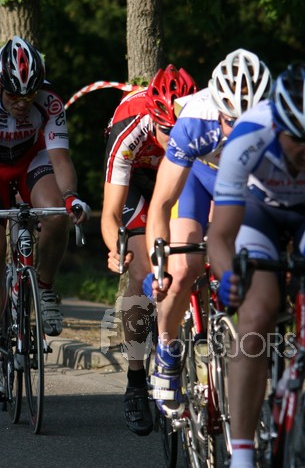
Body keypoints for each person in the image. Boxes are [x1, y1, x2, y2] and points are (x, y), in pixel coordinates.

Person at [206, 63, 305, 468]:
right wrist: (228, 276)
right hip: (259, 211)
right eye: (300, 140)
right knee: (257, 313)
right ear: (278, 127)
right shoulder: (248, 136)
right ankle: (242, 454)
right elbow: (220, 237)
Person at [0, 36, 90, 400]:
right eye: (14, 96)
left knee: (57, 215)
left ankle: (44, 287)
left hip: (30, 161)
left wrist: (71, 197)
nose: (21, 104)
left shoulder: (49, 100)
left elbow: (60, 158)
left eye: (29, 96)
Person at [143, 49, 271, 420]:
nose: (238, 130)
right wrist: (158, 265)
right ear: (217, 109)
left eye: (248, 121)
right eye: (231, 121)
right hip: (199, 178)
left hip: (246, 184)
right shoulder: (195, 120)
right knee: (183, 267)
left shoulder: (279, 123)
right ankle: (167, 353)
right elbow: (161, 203)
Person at [99, 63, 196, 434]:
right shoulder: (130, 127)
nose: (173, 138)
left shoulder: (201, 124)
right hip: (137, 184)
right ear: (153, 119)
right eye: (165, 130)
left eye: (179, 130)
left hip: (179, 178)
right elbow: (110, 214)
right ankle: (136, 380)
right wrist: (116, 247)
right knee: (142, 269)